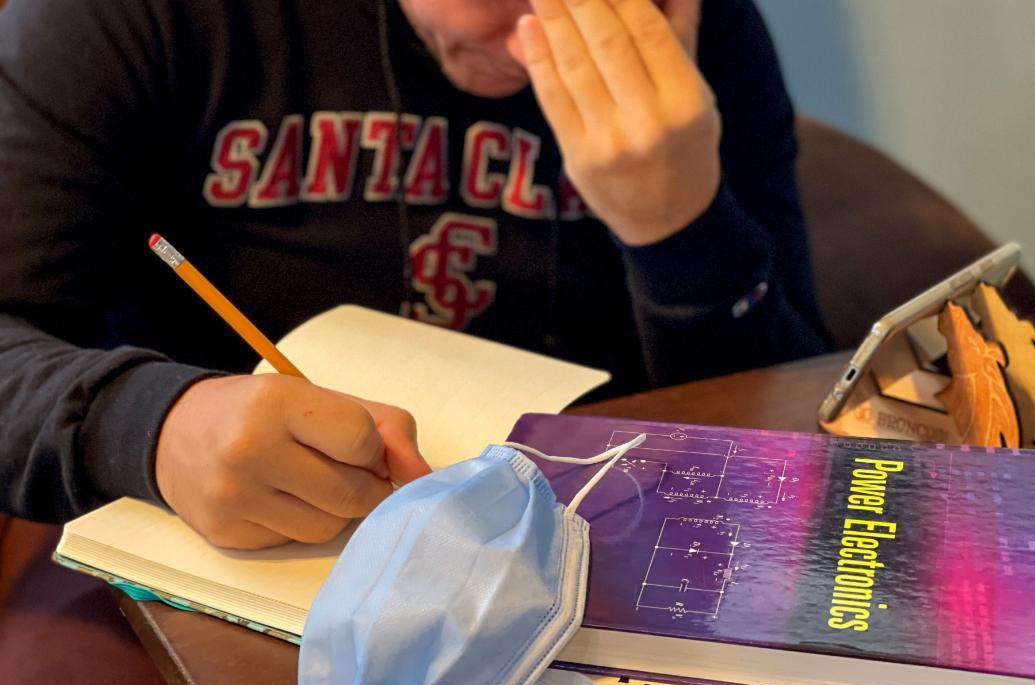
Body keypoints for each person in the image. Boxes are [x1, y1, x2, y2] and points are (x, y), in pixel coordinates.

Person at [0, 0, 830, 549]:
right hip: (234, 550)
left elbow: (792, 431)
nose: (531, 47)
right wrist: (153, 425)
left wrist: (679, 230)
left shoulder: (698, 27)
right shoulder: (132, 17)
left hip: (589, 544)